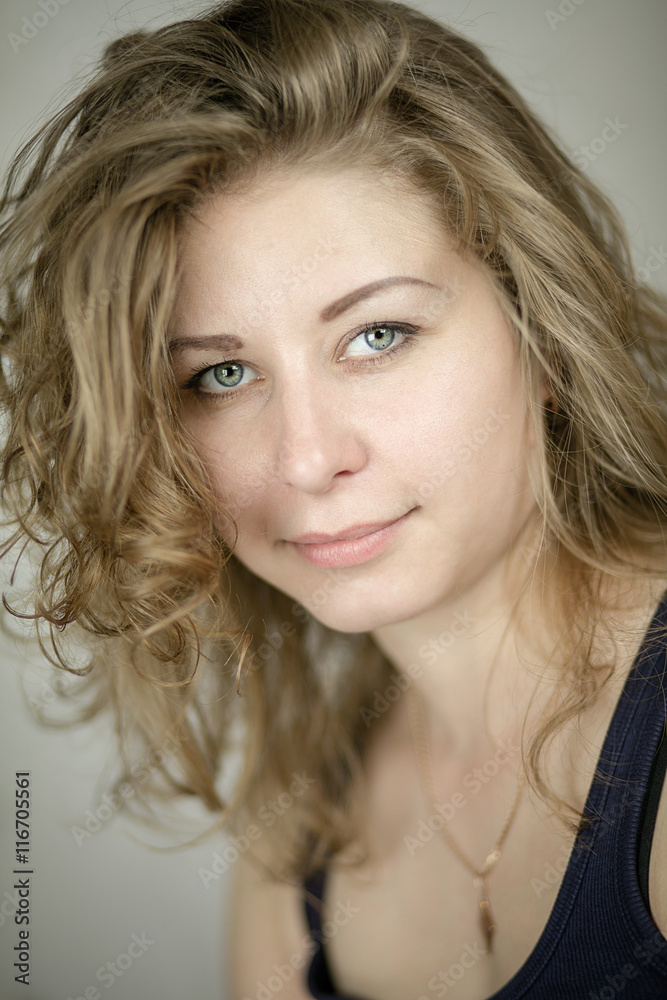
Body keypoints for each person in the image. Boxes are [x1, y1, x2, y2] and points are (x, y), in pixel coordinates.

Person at [1, 0, 667, 997]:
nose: (306, 459)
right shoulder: (299, 838)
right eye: (220, 377)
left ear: (543, 332)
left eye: (377, 335)